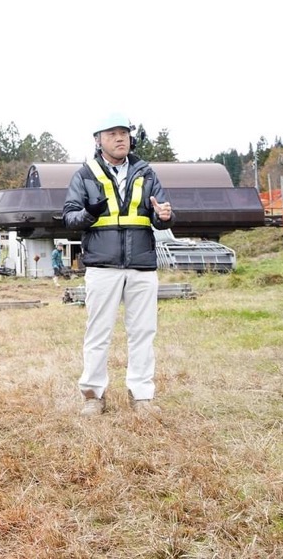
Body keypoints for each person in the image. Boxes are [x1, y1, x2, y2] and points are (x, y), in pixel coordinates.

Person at [63, 112, 174, 416]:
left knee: (143, 332)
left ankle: (142, 395)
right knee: (98, 332)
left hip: (141, 265)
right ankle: (93, 396)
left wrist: (164, 216)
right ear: (98, 140)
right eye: (112, 133)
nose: (120, 137)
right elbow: (69, 218)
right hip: (103, 266)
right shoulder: (84, 175)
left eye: (124, 132)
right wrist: (88, 213)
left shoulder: (147, 173)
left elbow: (161, 215)